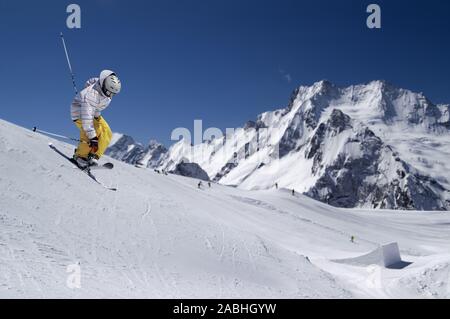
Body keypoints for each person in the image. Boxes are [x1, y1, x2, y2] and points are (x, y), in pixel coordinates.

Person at [70, 70, 121, 168]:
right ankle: (80, 157)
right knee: (93, 132)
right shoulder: (91, 96)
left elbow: (91, 81)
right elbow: (87, 121)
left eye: (113, 94)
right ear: (104, 86)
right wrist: (93, 138)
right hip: (80, 114)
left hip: (94, 113)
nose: (110, 95)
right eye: (109, 92)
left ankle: (94, 156)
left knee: (107, 132)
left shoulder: (104, 88)